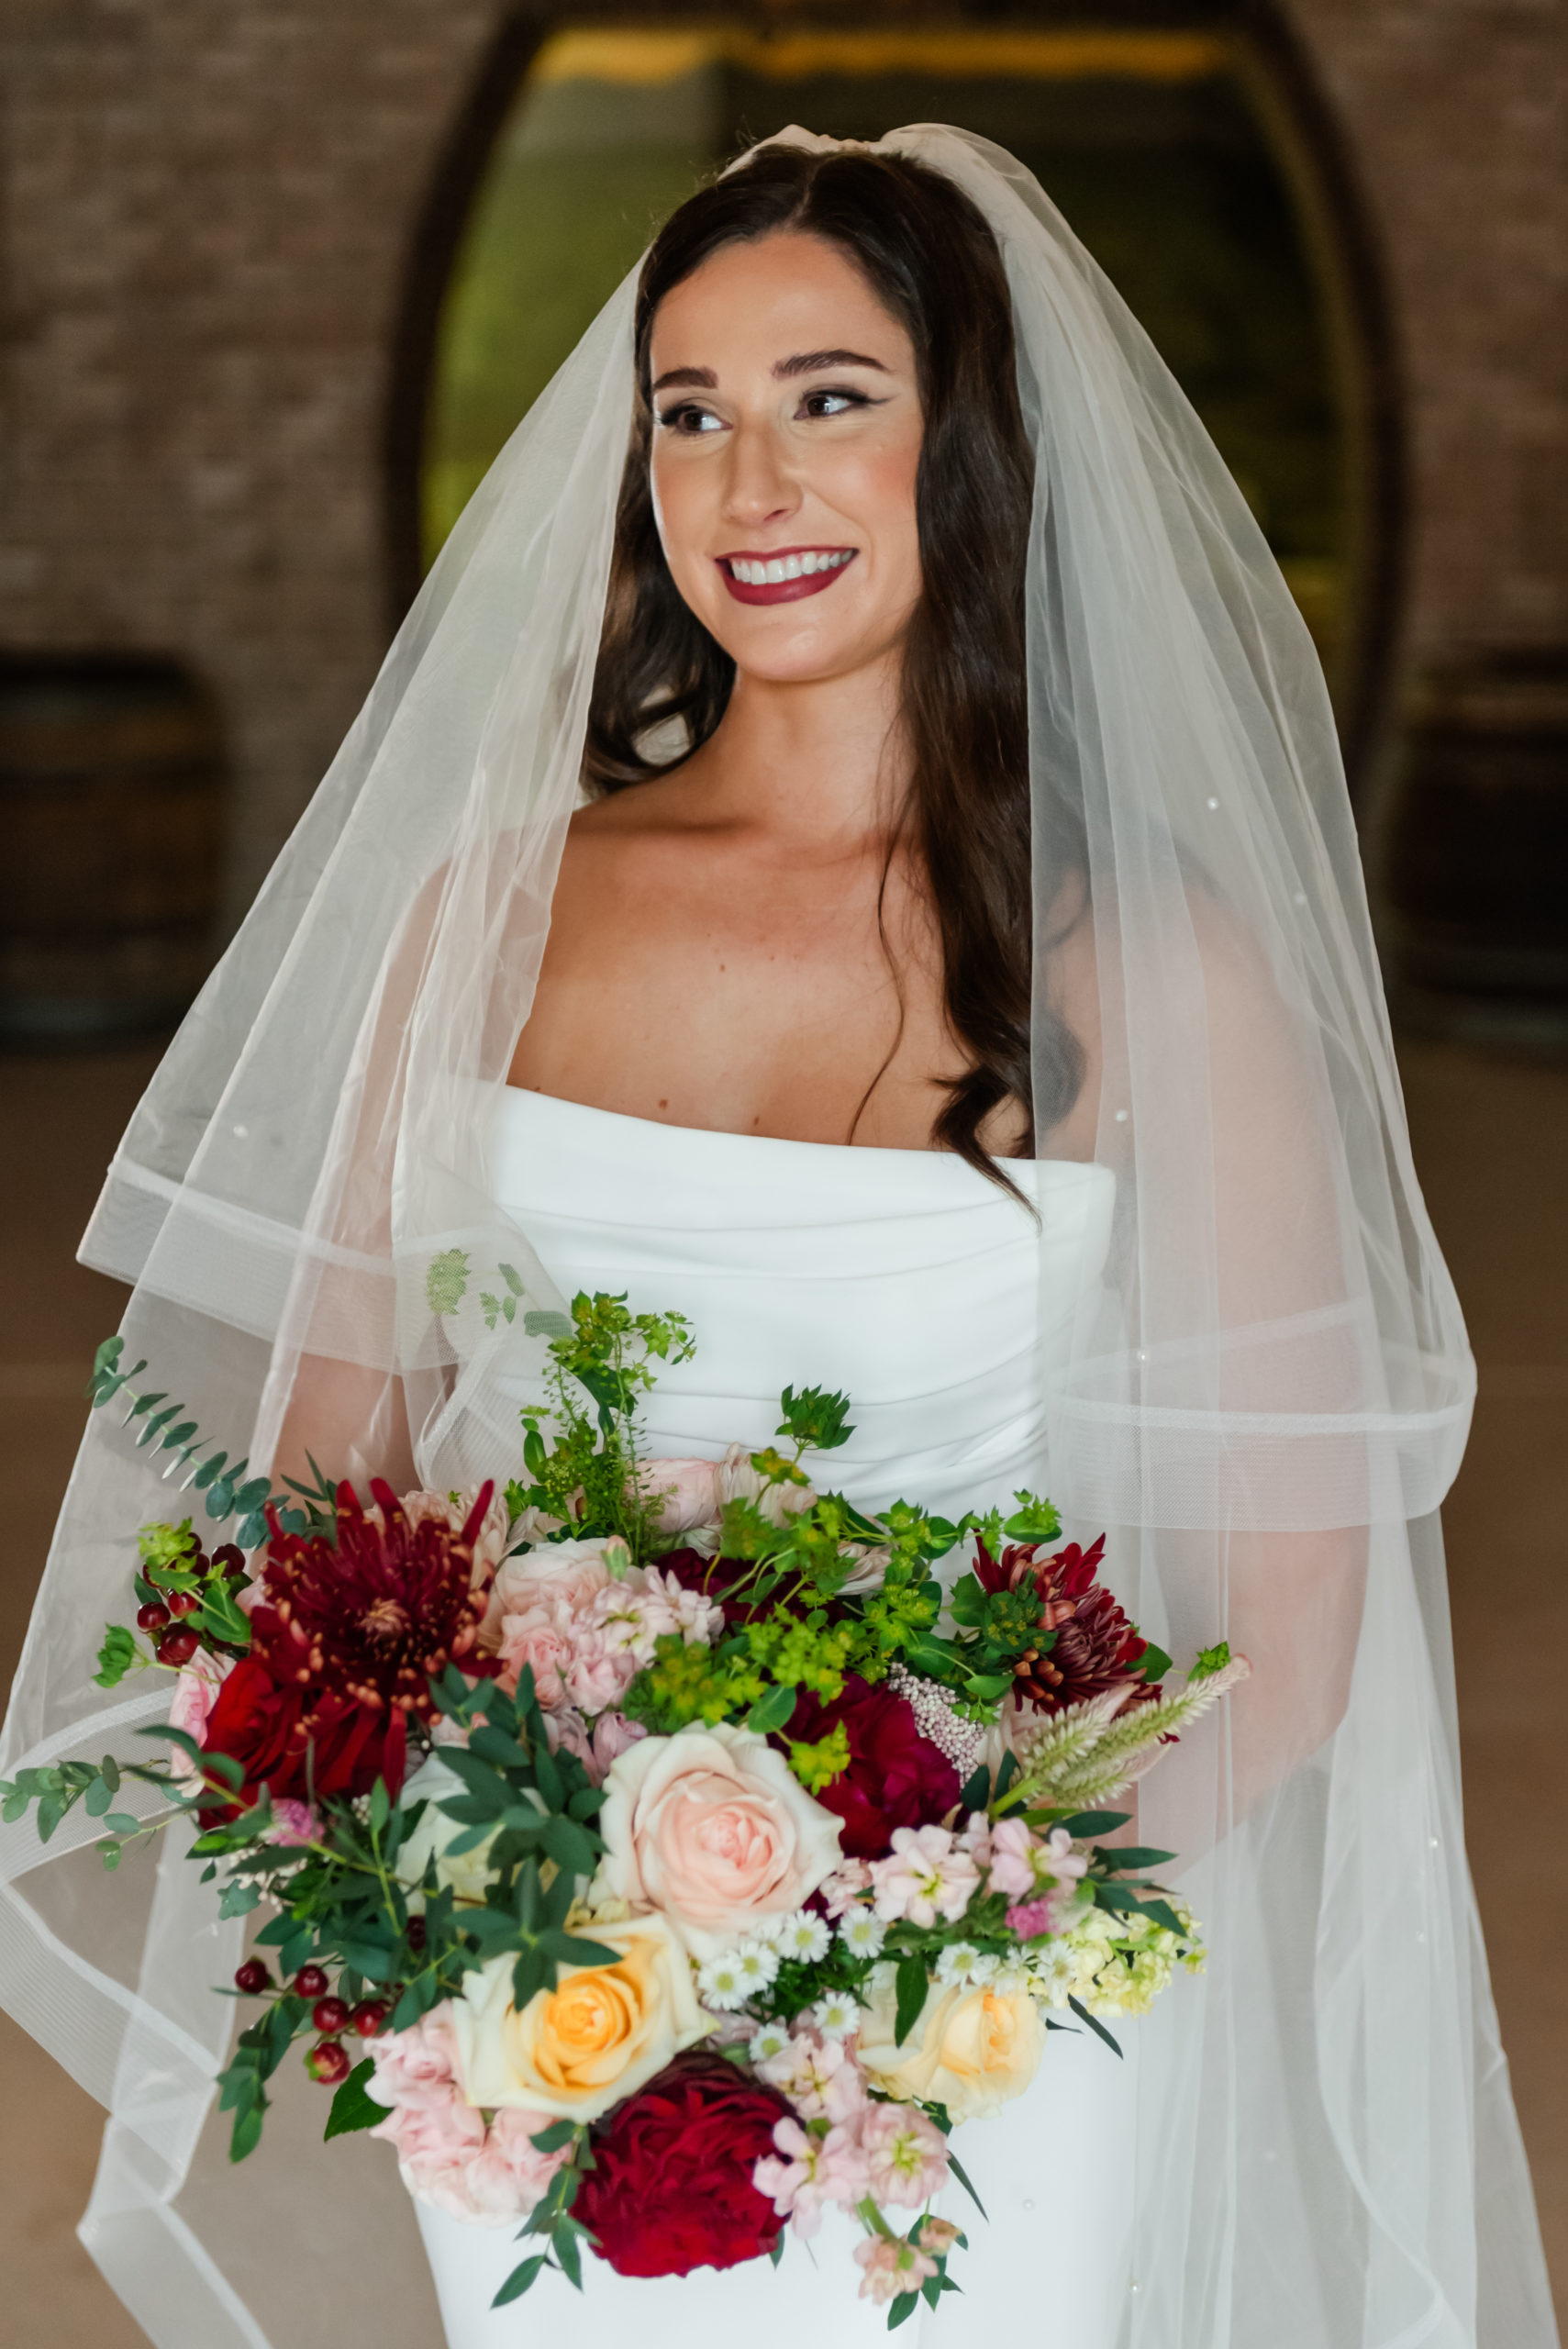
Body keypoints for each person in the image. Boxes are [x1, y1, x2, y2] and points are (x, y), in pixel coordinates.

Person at [0, 126, 1556, 2349]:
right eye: (690, 411)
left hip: (980, 2041)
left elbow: (1288, 1629)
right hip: (540, 2001)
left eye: (832, 398)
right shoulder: (495, 912)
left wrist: (911, 1948)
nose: (752, 485)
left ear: (976, 443)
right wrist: (492, 1866)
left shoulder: (1145, 970)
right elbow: (328, 1486)